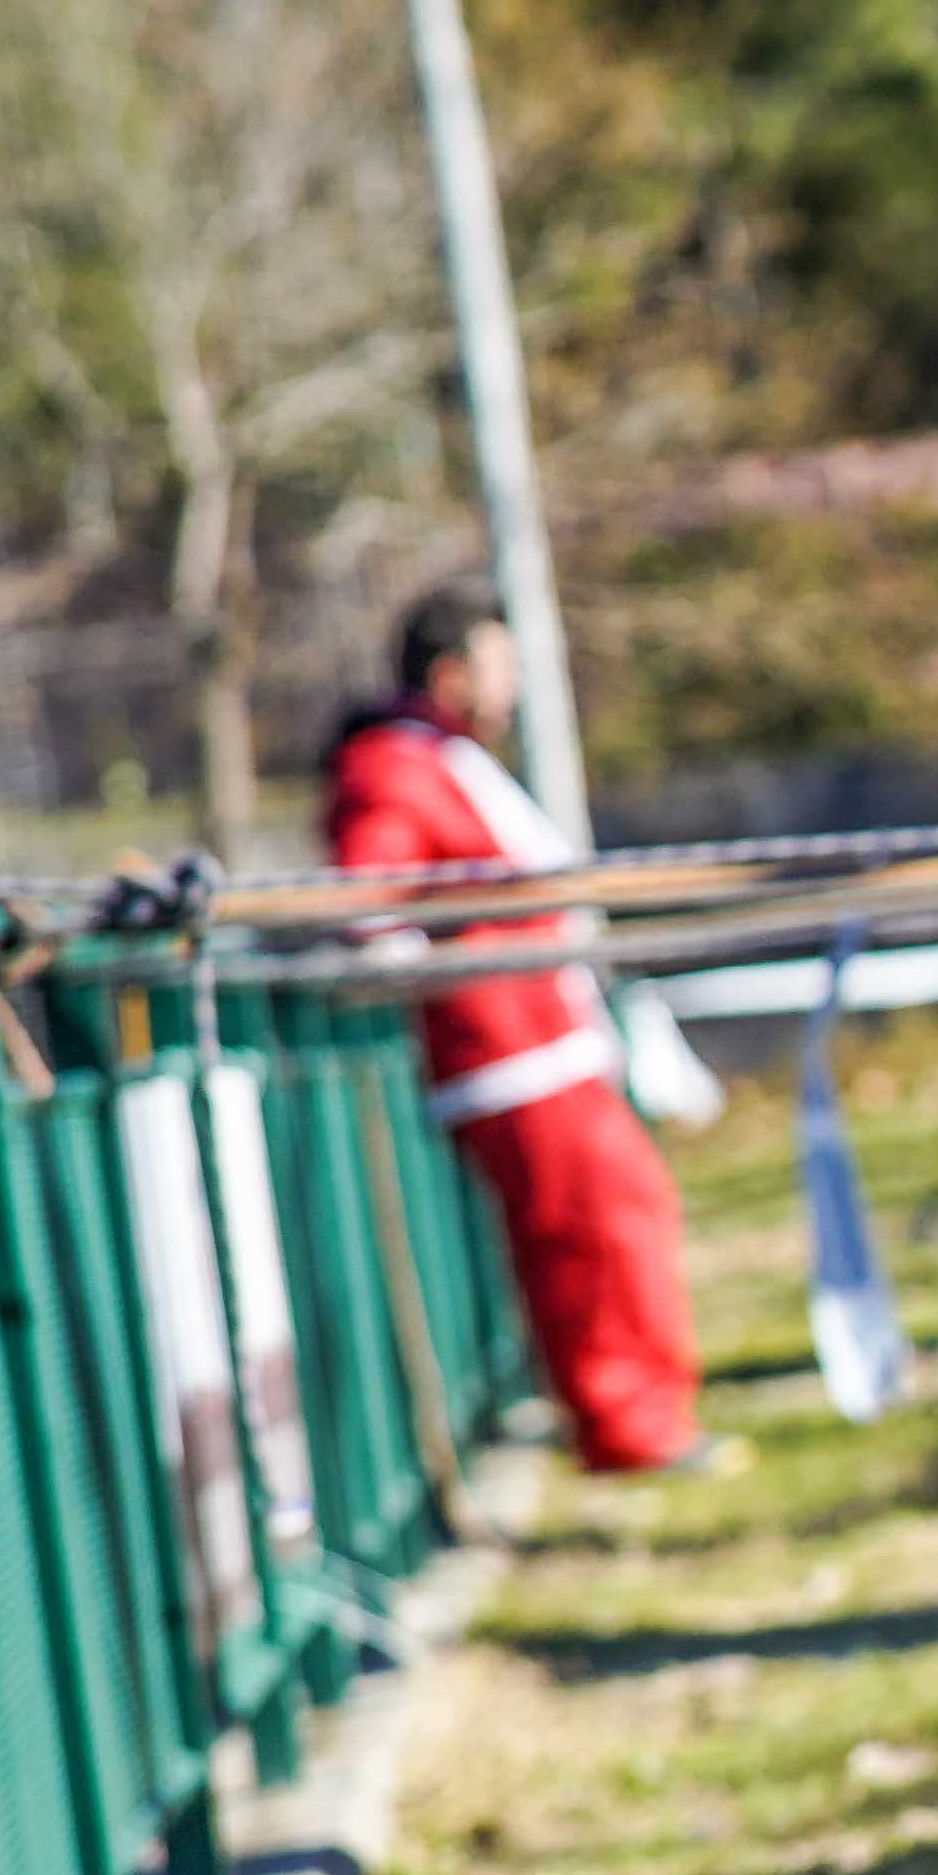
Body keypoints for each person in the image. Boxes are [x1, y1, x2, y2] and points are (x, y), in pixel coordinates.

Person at [321, 594, 711, 1472]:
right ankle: (628, 1427)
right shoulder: (391, 766)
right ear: (451, 672)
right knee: (589, 1236)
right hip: (510, 1055)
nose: (517, 684)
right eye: (502, 663)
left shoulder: (441, 758)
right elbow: (367, 904)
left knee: (628, 1215)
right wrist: (435, 970)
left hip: (552, 1043)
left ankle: (652, 1415)